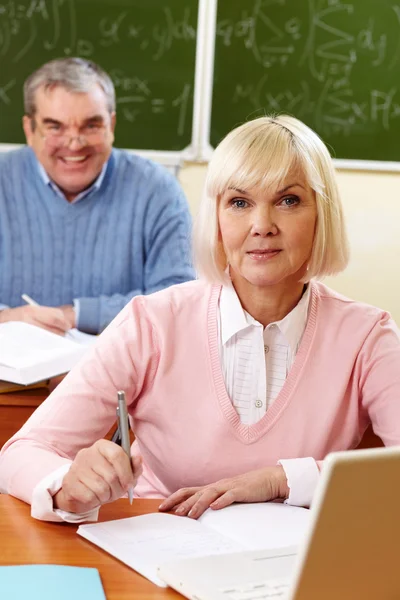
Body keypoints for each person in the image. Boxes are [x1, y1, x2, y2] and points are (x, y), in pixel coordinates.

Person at [1, 114, 400, 523]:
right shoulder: (151, 323)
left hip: (298, 571)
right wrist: (65, 484)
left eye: (289, 200)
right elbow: (21, 452)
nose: (262, 226)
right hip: (159, 556)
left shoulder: (368, 337)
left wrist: (285, 479)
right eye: (240, 203)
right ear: (217, 219)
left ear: (322, 213)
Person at [0, 57, 194, 335]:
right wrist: (7, 317)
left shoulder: (158, 191)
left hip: (125, 374)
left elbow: (180, 301)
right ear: (29, 131)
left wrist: (76, 315)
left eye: (91, 125)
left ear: (111, 125)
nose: (75, 143)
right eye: (55, 127)